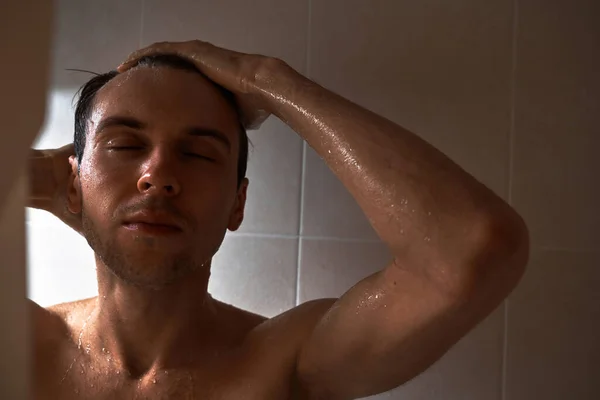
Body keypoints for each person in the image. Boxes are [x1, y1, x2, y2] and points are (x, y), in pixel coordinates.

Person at [28, 40, 529, 400]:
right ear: (74, 184)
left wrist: (265, 79)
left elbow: (472, 248)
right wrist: (40, 177)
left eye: (199, 154)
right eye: (125, 145)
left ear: (236, 205)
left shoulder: (284, 364)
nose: (158, 176)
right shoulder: (23, 343)